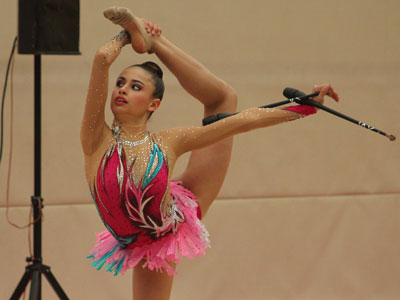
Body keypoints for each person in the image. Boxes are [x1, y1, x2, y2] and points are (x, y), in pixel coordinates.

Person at [81, 6, 339, 300]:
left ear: (154, 105)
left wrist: (305, 108)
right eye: (120, 83)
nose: (123, 90)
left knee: (224, 100)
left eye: (135, 86)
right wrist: (124, 34)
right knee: (221, 99)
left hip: (171, 224)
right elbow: (102, 59)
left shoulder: (168, 141)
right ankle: (153, 42)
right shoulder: (95, 139)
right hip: (144, 237)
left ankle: (155, 42)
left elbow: (243, 121)